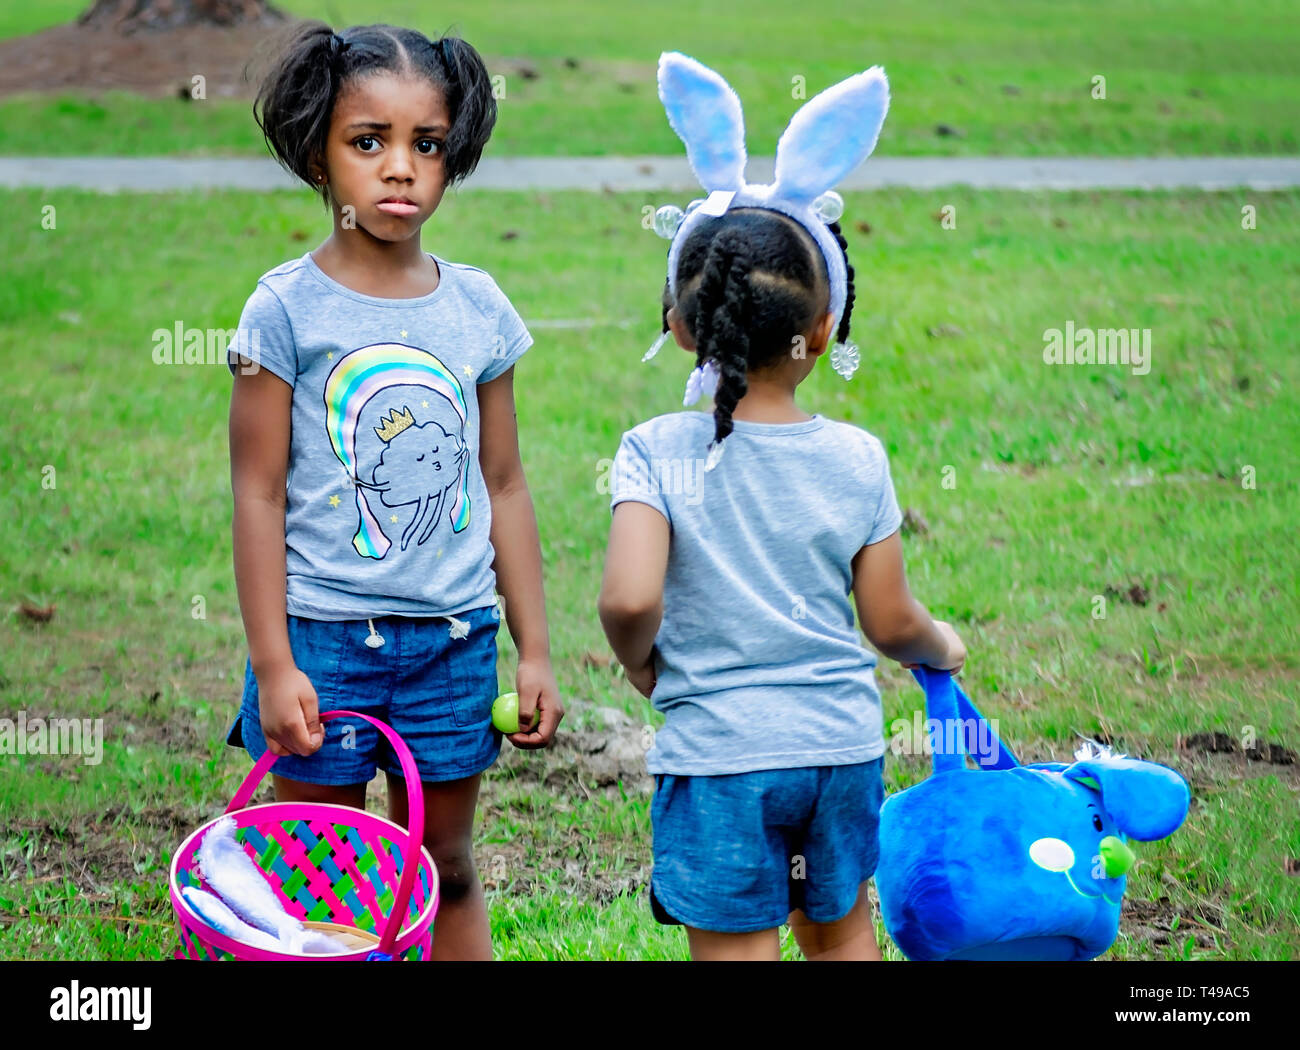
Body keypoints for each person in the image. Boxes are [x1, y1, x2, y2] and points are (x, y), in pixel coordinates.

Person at [598, 52, 964, 961]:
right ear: (826, 326)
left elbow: (630, 600)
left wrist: (644, 664)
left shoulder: (655, 449)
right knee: (842, 937)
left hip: (722, 757)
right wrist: (940, 645)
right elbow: (889, 620)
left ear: (682, 325)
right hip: (840, 751)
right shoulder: (856, 456)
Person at [223, 21, 562, 961]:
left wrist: (533, 647)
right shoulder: (283, 310)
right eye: (367, 141)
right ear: (318, 152)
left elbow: (503, 481)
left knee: (443, 865)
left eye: (428, 143)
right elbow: (258, 496)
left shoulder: (479, 308)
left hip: (454, 645)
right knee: (317, 882)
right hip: (323, 645)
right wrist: (277, 662)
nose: (401, 168)